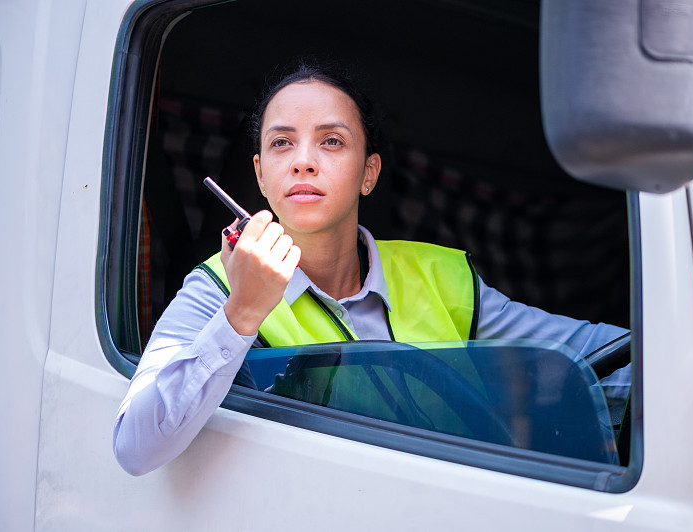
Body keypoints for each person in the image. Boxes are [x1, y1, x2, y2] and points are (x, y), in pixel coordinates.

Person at [113, 63, 628, 476]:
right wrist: (241, 313)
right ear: (261, 176)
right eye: (281, 143)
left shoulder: (442, 277)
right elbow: (136, 447)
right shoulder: (218, 287)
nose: (303, 161)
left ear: (369, 173)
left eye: (331, 141)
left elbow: (602, 355)